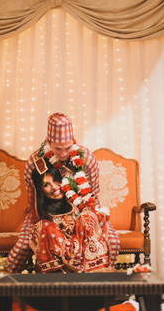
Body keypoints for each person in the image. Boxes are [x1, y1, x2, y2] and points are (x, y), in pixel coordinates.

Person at [7, 113, 119, 272]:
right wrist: (50, 225)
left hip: (82, 212)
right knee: (20, 249)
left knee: (113, 242)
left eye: (68, 148)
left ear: (73, 141)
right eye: (58, 149)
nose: (64, 153)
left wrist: (79, 221)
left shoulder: (86, 158)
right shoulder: (35, 162)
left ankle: (104, 289)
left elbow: (92, 198)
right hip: (45, 215)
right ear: (48, 142)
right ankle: (8, 293)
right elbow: (33, 203)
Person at [28, 167, 113, 272]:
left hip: (82, 250)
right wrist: (61, 228)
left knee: (87, 217)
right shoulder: (41, 210)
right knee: (44, 226)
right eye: (46, 185)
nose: (54, 187)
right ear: (41, 190)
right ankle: (60, 276)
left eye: (55, 180)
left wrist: (76, 224)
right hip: (58, 252)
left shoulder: (77, 198)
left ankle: (93, 271)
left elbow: (94, 221)